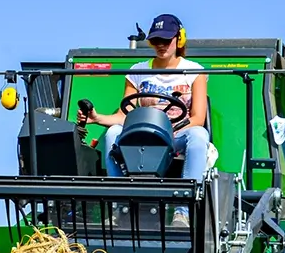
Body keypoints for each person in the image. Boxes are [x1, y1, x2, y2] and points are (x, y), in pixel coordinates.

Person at [77, 13, 210, 225]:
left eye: (166, 40)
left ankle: (183, 210)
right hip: (143, 138)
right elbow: (124, 116)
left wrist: (171, 131)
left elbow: (198, 118)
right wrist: (96, 117)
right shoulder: (137, 71)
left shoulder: (195, 72)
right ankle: (120, 204)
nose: (161, 45)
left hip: (177, 136)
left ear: (179, 39)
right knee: (112, 134)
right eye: (156, 40)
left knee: (199, 136)